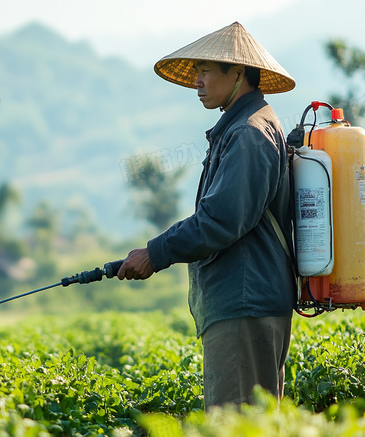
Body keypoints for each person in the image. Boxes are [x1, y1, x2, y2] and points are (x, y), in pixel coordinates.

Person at [116, 22, 297, 410]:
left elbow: (219, 220)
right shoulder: (239, 127)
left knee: (237, 427)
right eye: (196, 71)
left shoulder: (249, 133)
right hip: (243, 301)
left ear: (238, 73)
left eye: (205, 71)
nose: (197, 81)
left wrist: (155, 252)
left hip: (246, 301)